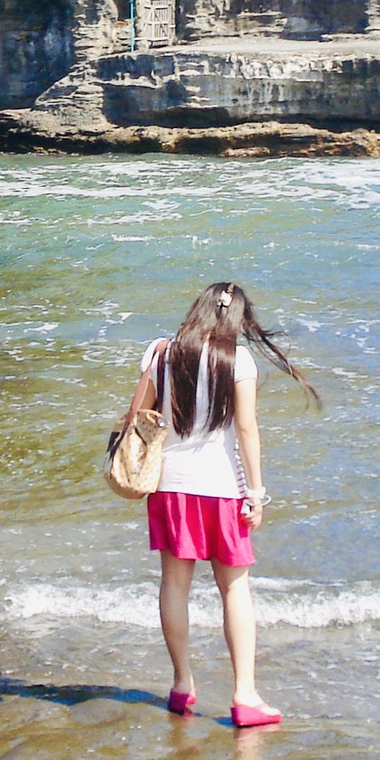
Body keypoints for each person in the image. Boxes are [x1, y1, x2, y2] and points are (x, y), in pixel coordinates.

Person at [122, 281, 319, 727]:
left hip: (169, 488)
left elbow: (136, 418)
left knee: (174, 585)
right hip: (222, 488)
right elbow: (247, 430)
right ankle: (244, 696)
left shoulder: (160, 353)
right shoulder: (239, 360)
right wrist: (256, 492)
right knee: (234, 588)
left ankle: (181, 685)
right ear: (235, 318)